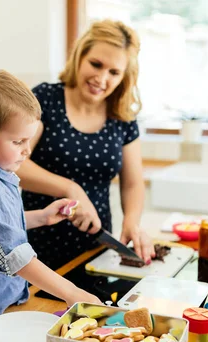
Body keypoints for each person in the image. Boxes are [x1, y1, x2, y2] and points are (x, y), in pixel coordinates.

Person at [0, 70, 101, 334]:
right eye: (18, 141)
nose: (27, 151)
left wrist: (41, 216)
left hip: (1, 299)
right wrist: (71, 292)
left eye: (28, 140)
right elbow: (16, 257)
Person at [18, 19, 155, 270]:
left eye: (114, 72)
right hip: (36, 245)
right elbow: (15, 165)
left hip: (97, 248)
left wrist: (132, 223)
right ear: (80, 56)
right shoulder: (45, 99)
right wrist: (70, 189)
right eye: (96, 64)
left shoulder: (122, 116)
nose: (102, 78)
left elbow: (133, 182)